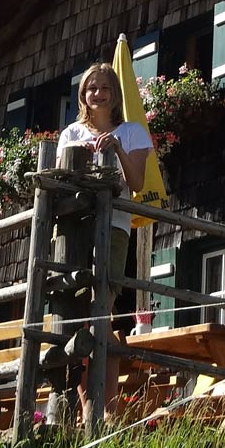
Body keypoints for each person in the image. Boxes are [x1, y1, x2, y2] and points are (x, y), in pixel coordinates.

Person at [53, 61, 153, 419]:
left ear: (115, 95)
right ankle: (88, 409)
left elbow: (138, 184)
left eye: (104, 87)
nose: (98, 93)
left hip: (113, 226)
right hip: (73, 229)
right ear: (83, 94)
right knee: (78, 317)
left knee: (100, 312)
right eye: (91, 87)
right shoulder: (70, 135)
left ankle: (103, 407)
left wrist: (116, 149)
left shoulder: (132, 133)